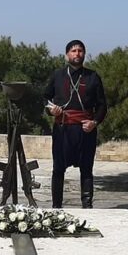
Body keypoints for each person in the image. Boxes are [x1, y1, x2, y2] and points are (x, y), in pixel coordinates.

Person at [44, 40, 108, 208]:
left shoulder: (93, 76)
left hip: (86, 130)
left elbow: (102, 105)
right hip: (62, 129)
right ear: (67, 54)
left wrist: (94, 122)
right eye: (73, 51)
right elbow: (45, 99)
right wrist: (51, 110)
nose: (77, 54)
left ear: (84, 54)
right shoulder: (57, 75)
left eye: (80, 50)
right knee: (58, 169)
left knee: (86, 169)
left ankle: (87, 206)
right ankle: (56, 207)